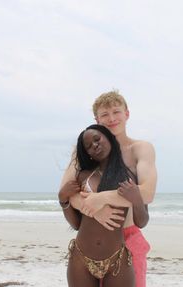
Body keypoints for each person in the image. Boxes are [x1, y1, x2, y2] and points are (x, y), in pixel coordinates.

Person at [59, 90, 157, 287]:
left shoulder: (140, 148)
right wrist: (95, 211)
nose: (111, 118)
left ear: (126, 114)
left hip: (128, 235)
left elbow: (146, 194)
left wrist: (102, 198)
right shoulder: (85, 152)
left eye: (116, 112)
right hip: (91, 240)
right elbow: (66, 191)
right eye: (105, 114)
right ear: (97, 119)